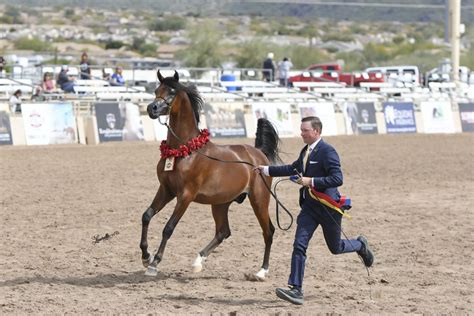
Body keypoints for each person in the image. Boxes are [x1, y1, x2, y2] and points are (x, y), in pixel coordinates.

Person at [254, 116, 374, 305]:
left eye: (305, 130)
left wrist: (311, 181)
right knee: (299, 245)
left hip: (328, 208)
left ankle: (360, 245)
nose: (301, 133)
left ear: (316, 132)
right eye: (301, 130)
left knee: (335, 248)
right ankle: (296, 289)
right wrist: (266, 170)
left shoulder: (328, 151)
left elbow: (337, 179)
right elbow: (293, 168)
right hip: (309, 207)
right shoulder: (305, 151)